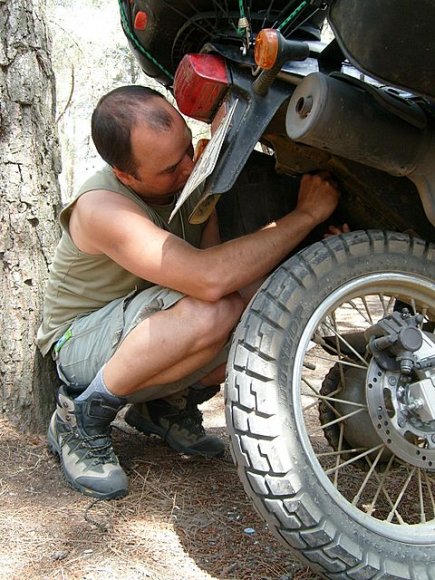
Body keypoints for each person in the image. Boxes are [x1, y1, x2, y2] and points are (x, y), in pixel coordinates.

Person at [37, 85, 340, 500]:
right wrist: (304, 217)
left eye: (186, 150)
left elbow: (223, 270)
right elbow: (210, 279)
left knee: (257, 312)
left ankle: (165, 405)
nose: (186, 168)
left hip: (147, 329)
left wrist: (316, 245)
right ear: (126, 175)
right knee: (212, 310)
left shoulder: (185, 179)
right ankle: (80, 419)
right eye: (168, 169)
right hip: (78, 344)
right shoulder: (101, 208)